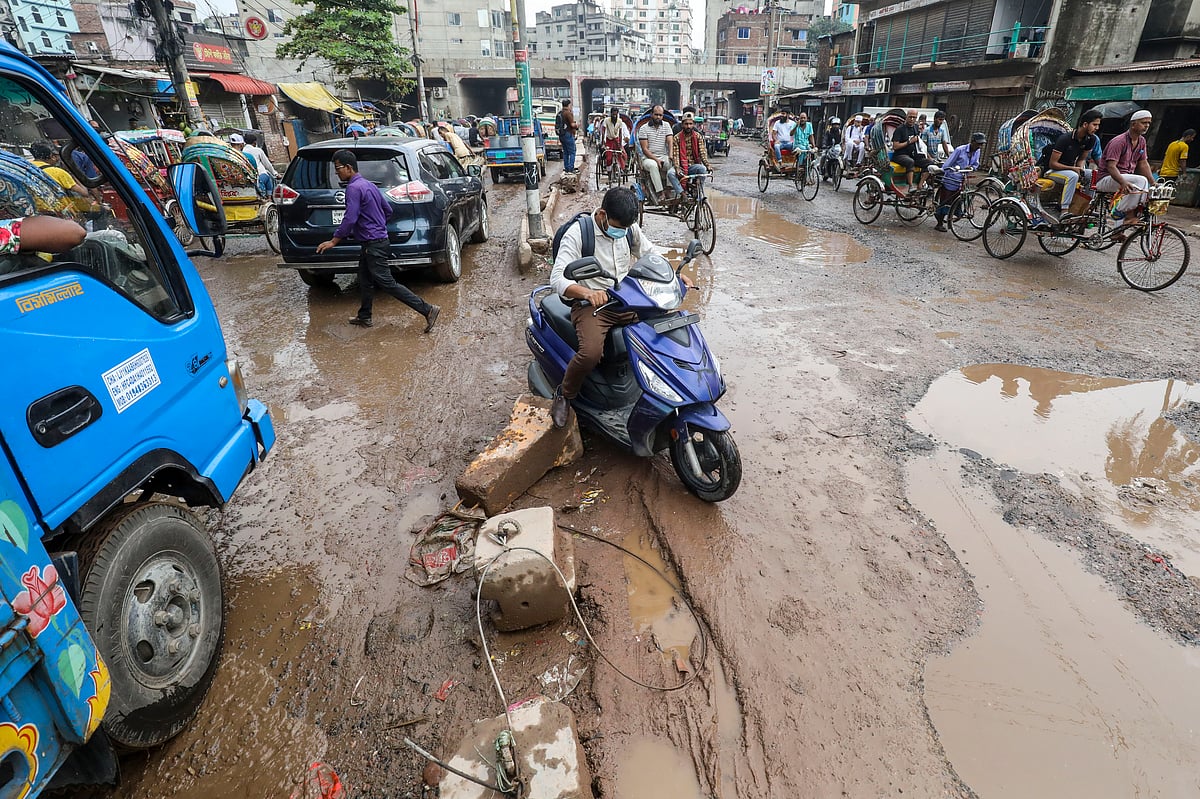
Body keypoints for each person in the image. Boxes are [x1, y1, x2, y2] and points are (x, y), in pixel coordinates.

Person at [549, 188, 683, 428]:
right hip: (592, 305)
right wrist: (588, 293)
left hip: (627, 298)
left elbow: (650, 254)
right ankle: (564, 395)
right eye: (617, 228)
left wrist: (676, 277)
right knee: (590, 353)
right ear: (602, 214)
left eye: (625, 229)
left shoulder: (629, 229)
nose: (621, 233)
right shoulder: (579, 233)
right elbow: (558, 279)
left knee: (662, 330)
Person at [316, 150, 440, 332]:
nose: (336, 172)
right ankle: (364, 316)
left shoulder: (353, 188)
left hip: (373, 244)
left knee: (387, 283)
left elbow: (350, 218)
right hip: (375, 241)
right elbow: (387, 210)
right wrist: (376, 224)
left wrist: (334, 241)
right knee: (365, 279)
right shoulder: (369, 185)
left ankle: (428, 309)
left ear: (349, 168)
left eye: (338, 168)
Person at [1097, 109, 1155, 229]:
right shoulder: (1119, 141)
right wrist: (1123, 182)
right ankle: (1125, 215)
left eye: (1148, 123)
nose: (1147, 126)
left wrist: (1153, 183)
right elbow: (1111, 167)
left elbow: (1143, 164)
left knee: (1144, 188)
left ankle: (1117, 231)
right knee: (1140, 181)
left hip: (1126, 178)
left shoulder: (1142, 141)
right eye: (1143, 123)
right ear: (1133, 124)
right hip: (1106, 179)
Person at [1043, 110, 1102, 214]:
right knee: (1072, 176)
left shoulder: (1091, 139)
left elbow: (1081, 159)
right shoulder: (1065, 139)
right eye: (1094, 125)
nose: (1097, 128)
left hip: (1070, 170)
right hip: (1052, 171)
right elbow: (1053, 164)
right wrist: (1073, 169)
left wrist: (1081, 170)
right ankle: (1064, 210)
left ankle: (1086, 207)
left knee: (1092, 174)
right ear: (1085, 124)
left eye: (1098, 125)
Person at [29, 140, 101, 216]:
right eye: (57, 155)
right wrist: (73, 173)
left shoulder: (28, 167)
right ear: (52, 156)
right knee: (100, 211)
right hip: (60, 212)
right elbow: (84, 192)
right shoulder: (59, 173)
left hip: (38, 210)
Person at [933, 132, 986, 231]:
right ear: (972, 142)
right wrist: (952, 170)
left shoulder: (977, 151)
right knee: (946, 201)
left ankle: (951, 220)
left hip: (963, 180)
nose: (979, 146)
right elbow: (947, 164)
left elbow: (975, 164)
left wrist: (971, 167)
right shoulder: (959, 150)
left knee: (958, 201)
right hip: (952, 178)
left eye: (981, 144)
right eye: (978, 144)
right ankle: (939, 223)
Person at [638, 105, 676, 200]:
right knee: (653, 165)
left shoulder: (666, 125)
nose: (658, 117)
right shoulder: (644, 128)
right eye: (656, 115)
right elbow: (645, 149)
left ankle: (668, 189)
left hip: (663, 155)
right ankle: (660, 192)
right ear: (651, 115)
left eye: (660, 115)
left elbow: (670, 141)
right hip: (648, 158)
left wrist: (671, 155)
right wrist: (656, 160)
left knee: (672, 163)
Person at [670, 112, 711, 199]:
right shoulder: (677, 138)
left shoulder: (698, 136)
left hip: (693, 166)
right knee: (671, 173)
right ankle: (682, 193)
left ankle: (697, 190)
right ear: (682, 124)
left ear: (693, 124)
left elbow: (702, 152)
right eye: (686, 124)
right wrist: (677, 168)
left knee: (702, 169)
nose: (688, 126)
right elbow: (676, 154)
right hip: (681, 166)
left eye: (690, 124)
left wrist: (708, 165)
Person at [891, 109, 931, 193]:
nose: (912, 119)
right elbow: (895, 146)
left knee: (929, 163)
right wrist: (909, 142)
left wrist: (927, 155)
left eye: (914, 117)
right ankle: (910, 185)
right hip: (900, 155)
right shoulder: (900, 129)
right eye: (910, 117)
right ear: (906, 116)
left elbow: (919, 143)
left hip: (913, 154)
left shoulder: (916, 128)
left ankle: (921, 184)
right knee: (910, 162)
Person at [601, 107, 630, 172]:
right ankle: (609, 173)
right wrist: (603, 143)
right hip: (609, 140)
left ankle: (623, 167)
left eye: (615, 115)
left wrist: (620, 144)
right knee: (608, 158)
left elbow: (620, 133)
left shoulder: (620, 121)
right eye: (613, 114)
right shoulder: (606, 120)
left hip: (617, 140)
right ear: (611, 114)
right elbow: (603, 131)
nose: (614, 116)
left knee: (623, 154)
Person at [558, 98, 579, 174]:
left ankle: (566, 168)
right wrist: (577, 125)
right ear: (568, 105)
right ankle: (571, 168)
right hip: (568, 134)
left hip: (561, 135)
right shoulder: (568, 113)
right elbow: (572, 124)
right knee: (572, 152)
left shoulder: (560, 113)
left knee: (566, 152)